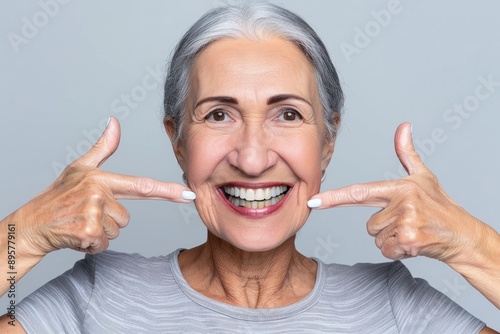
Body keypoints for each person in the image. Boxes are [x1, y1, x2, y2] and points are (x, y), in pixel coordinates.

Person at [0, 1, 499, 333]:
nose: (254, 158)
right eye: (219, 114)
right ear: (177, 142)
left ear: (327, 143)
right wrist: (25, 234)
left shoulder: (396, 308)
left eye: (288, 114)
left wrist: (472, 244)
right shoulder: (97, 298)